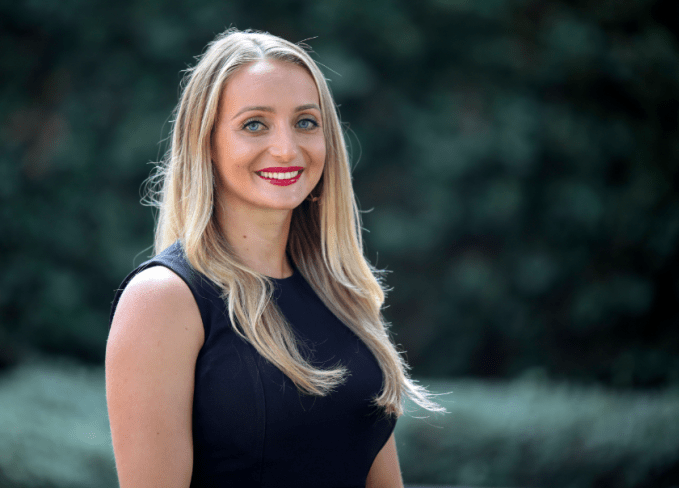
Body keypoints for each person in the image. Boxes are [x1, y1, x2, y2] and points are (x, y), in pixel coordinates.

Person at [105, 28, 444, 488]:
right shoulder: (164, 300)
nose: (287, 147)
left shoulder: (342, 292)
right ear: (205, 143)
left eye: (306, 122)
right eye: (254, 124)